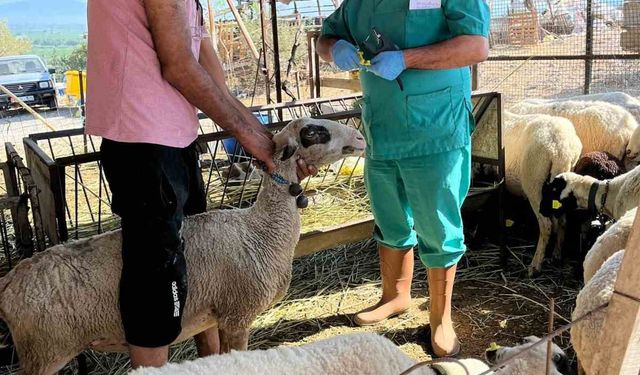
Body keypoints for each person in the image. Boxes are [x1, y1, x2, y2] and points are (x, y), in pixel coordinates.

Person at [86, 0, 314, 368]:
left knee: (195, 258)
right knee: (157, 271)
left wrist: (267, 142)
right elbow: (178, 64)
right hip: (142, 136)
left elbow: (210, 70)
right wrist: (246, 133)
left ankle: (210, 365)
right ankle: (151, 370)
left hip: (174, 134)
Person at [318, 0, 490, 357]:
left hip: (435, 128)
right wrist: (335, 48)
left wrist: (408, 58)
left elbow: (475, 45)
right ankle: (395, 296)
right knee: (389, 216)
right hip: (382, 127)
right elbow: (326, 36)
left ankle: (440, 318)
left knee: (438, 225)